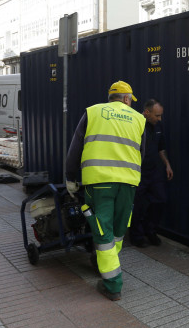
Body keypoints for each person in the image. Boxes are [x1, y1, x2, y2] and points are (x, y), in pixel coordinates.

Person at [65, 80, 146, 301]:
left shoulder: (93, 113)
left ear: (111, 98)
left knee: (103, 231)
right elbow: (142, 155)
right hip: (128, 183)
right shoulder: (139, 119)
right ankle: (104, 260)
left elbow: (75, 148)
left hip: (99, 183)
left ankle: (112, 285)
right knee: (118, 230)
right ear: (127, 99)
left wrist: (70, 178)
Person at [130, 98, 173, 248]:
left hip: (155, 172)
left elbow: (161, 148)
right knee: (138, 206)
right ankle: (137, 236)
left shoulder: (158, 126)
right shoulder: (136, 126)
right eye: (157, 115)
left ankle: (150, 230)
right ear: (147, 112)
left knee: (160, 201)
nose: (160, 118)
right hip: (139, 173)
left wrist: (167, 165)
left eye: (160, 115)